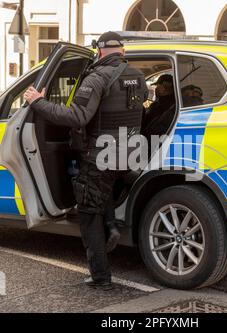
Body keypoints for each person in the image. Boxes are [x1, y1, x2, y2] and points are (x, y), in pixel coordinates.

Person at [24, 31, 148, 290]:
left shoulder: (97, 77)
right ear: (122, 51)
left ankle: (100, 276)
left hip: (101, 155)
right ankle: (112, 225)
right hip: (130, 152)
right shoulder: (137, 77)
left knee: (89, 213)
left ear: (100, 50)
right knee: (104, 191)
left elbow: (77, 117)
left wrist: (38, 102)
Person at [142, 74, 176, 139]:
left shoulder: (159, 106)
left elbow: (144, 124)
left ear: (164, 87)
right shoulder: (174, 103)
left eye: (157, 85)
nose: (156, 89)